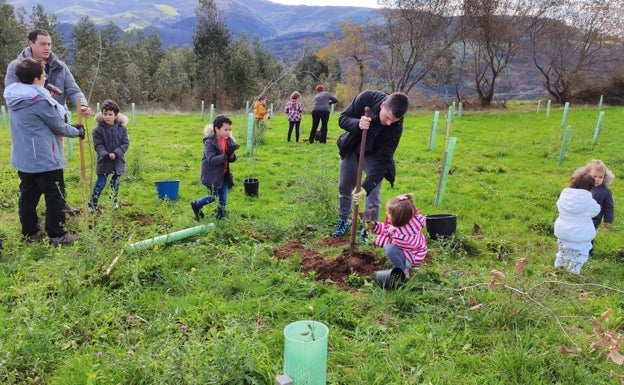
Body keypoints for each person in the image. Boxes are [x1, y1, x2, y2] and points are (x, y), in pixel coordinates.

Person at [5, 28, 92, 216]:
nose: (47, 48)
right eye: (42, 44)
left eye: (49, 44)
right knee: (44, 172)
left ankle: (59, 204)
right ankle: (54, 217)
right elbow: (12, 94)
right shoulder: (17, 66)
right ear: (31, 43)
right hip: (30, 129)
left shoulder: (59, 66)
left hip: (56, 122)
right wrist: (40, 100)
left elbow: (73, 89)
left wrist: (82, 105)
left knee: (54, 167)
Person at [3, 57, 85, 245]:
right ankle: (57, 235)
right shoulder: (40, 100)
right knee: (55, 196)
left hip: (24, 158)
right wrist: (77, 131)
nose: (46, 75)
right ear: (35, 79)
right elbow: (59, 127)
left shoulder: (15, 96)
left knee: (28, 196)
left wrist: (46, 95)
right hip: (44, 157)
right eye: (43, 74)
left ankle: (30, 233)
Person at [332, 90, 409, 238]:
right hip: (353, 148)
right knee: (344, 187)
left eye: (393, 121)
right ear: (382, 105)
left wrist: (365, 189)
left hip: (374, 155)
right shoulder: (366, 98)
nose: (388, 123)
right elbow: (343, 119)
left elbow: (384, 160)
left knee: (372, 193)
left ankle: (368, 229)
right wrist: (357, 123)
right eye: (387, 118)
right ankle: (343, 220)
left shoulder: (396, 127)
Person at [365, 194, 428, 279]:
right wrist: (375, 226)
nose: (386, 214)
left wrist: (376, 239)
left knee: (390, 249)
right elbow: (389, 229)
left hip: (413, 258)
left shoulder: (401, 236)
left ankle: (404, 271)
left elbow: (389, 240)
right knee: (391, 246)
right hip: (417, 251)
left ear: (398, 218)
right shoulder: (409, 220)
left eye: (389, 214)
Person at [191, 116, 240, 220]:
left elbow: (232, 159)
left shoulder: (229, 141)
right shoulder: (210, 143)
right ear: (216, 129)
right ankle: (197, 204)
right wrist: (226, 155)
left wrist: (232, 156)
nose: (228, 132)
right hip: (211, 175)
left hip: (224, 174)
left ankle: (220, 215)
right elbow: (212, 160)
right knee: (213, 197)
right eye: (225, 130)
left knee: (223, 197)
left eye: (229, 129)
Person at [553, 172, 601, 274]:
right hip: (581, 233)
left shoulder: (564, 194)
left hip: (563, 230)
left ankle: (558, 266)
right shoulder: (588, 199)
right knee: (581, 252)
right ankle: (573, 271)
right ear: (590, 187)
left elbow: (559, 205)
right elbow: (596, 210)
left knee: (563, 249)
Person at [88, 99, 130, 213]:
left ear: (116, 115)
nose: (107, 117)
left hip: (118, 160)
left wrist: (116, 153)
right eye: (105, 114)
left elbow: (125, 143)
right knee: (100, 182)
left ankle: (114, 202)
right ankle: (92, 204)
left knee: (115, 183)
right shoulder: (97, 130)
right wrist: (106, 154)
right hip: (104, 161)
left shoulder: (122, 129)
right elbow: (98, 145)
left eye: (110, 114)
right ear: (102, 113)